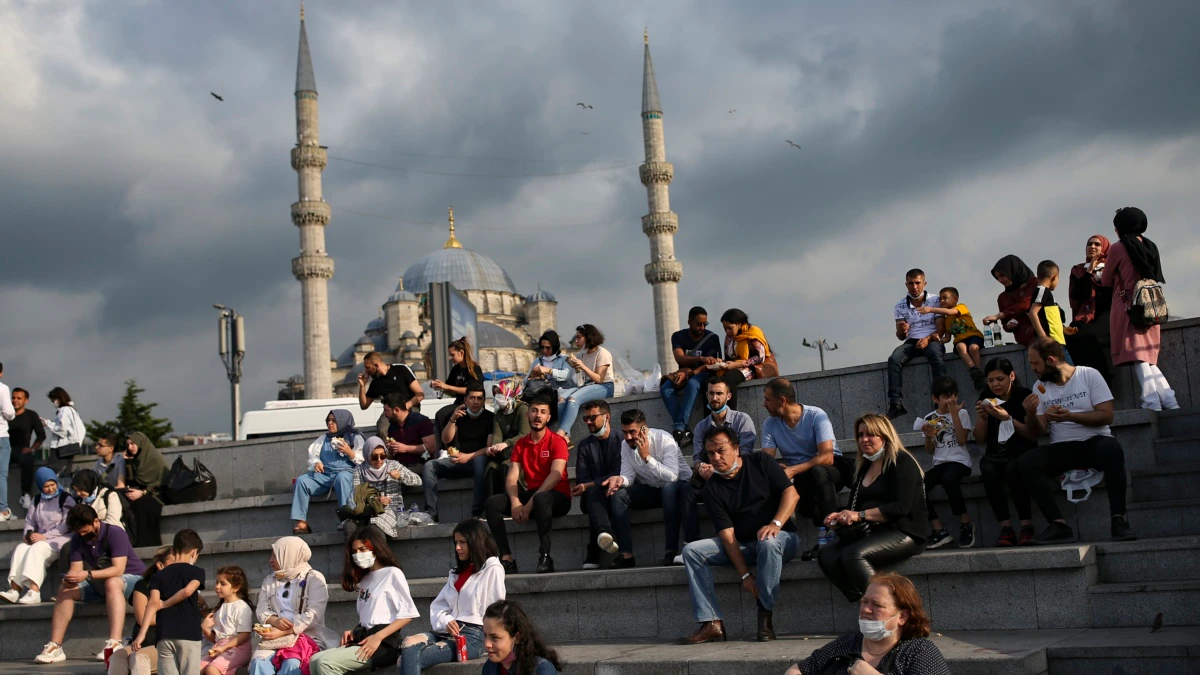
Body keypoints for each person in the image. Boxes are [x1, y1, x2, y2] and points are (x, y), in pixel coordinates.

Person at [681, 427, 801, 645]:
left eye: (721, 450)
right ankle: (712, 622)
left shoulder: (761, 462)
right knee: (692, 551)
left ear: (736, 448)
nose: (716, 458)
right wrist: (745, 575)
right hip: (745, 545)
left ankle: (765, 615)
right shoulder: (712, 488)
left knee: (768, 541)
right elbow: (728, 536)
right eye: (710, 454)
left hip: (783, 540)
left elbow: (791, 493)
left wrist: (776, 523)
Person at [1020, 338, 1137, 544]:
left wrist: (1070, 416)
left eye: (1035, 363)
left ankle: (1119, 520)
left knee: (1112, 449)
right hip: (1062, 447)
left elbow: (1107, 415)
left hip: (1094, 442)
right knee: (1026, 462)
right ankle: (1058, 524)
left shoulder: (1088, 375)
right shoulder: (1039, 386)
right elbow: (1038, 431)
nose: (1032, 368)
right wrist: (1032, 414)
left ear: (1050, 360)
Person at [819, 414, 928, 603]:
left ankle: (883, 607)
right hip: (873, 530)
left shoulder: (902, 462)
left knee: (854, 555)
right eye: (860, 435)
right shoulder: (864, 466)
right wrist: (839, 516)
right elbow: (855, 505)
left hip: (904, 530)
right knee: (827, 556)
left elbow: (901, 508)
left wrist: (860, 515)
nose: (864, 440)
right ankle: (863, 602)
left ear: (884, 436)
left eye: (871, 434)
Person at [36, 504, 148, 664]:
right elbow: (76, 570)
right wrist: (70, 579)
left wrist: (87, 574)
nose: (82, 535)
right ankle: (55, 647)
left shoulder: (115, 533)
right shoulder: (77, 539)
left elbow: (118, 569)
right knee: (65, 589)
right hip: (102, 582)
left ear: (96, 521)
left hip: (134, 581)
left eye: (85, 531)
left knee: (112, 583)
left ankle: (115, 642)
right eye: (79, 532)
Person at [785, 572, 951, 675]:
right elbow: (799, 670)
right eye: (864, 602)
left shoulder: (918, 652)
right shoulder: (847, 644)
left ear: (902, 617)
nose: (866, 610)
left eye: (877, 605)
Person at [399, 520, 506, 675]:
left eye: (463, 542)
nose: (457, 548)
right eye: (456, 542)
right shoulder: (456, 573)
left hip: (472, 636)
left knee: (408, 660)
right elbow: (439, 606)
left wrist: (491, 640)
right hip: (444, 630)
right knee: (408, 644)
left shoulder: (492, 568)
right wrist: (446, 621)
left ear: (476, 541)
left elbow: (495, 609)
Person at [760, 378, 851, 561]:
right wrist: (776, 467)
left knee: (818, 472)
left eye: (768, 399)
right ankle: (772, 541)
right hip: (803, 476)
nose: (764, 405)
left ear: (782, 400)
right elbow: (766, 460)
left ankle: (830, 534)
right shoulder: (770, 424)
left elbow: (827, 456)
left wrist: (793, 470)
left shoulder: (816, 415)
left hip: (832, 469)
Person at [308, 526, 418, 675]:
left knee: (325, 663)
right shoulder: (365, 579)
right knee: (315, 660)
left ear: (375, 547)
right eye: (354, 551)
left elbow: (408, 614)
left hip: (383, 643)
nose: (358, 554)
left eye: (362, 549)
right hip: (364, 637)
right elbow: (373, 614)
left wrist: (378, 637)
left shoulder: (392, 573)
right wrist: (354, 631)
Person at [485, 392, 572, 575]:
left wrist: (529, 504)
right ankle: (507, 557)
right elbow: (512, 476)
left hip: (558, 498)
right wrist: (516, 502)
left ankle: (545, 556)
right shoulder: (521, 444)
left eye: (542, 412)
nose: (537, 415)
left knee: (540, 498)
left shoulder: (557, 442)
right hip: (533, 494)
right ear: (527, 414)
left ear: (548, 417)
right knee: (493, 503)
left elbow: (555, 476)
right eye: (534, 411)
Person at [1101, 206, 1178, 411]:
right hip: (1151, 305)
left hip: (1128, 305)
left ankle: (1151, 401)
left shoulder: (1118, 248)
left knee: (1137, 356)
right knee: (1147, 358)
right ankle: (1169, 400)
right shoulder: (1150, 245)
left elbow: (1106, 280)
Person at [601, 409, 698, 568]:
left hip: (680, 487)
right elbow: (629, 476)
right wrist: (620, 479)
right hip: (653, 489)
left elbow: (673, 476)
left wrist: (647, 457)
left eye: (632, 432)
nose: (628, 437)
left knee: (668, 488)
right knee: (619, 495)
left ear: (644, 429)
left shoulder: (664, 439)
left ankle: (671, 551)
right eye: (625, 432)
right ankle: (626, 555)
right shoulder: (625, 445)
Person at [248, 537, 340, 675]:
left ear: (288, 555)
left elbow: (313, 616)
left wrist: (285, 631)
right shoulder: (270, 580)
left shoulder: (314, 578)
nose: (270, 560)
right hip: (274, 636)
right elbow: (262, 609)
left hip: (305, 635)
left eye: (275, 555)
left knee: (292, 664)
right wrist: (275, 621)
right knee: (259, 664)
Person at [974, 358, 1037, 547]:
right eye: (991, 380)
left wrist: (1007, 418)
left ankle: (1027, 525)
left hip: (1021, 449)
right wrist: (983, 418)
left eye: (1000, 379)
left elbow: (1032, 435)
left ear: (1012, 376)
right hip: (996, 451)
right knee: (989, 470)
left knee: (1014, 469)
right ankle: (1006, 527)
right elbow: (978, 438)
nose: (995, 384)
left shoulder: (1024, 396)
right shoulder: (986, 396)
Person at [915, 376, 976, 550]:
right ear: (936, 398)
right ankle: (939, 529)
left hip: (959, 462)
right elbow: (929, 451)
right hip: (940, 463)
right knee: (919, 486)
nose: (950, 400)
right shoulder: (930, 417)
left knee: (950, 479)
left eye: (953, 396)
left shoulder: (961, 413)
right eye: (946, 397)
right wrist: (927, 435)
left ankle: (966, 523)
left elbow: (963, 440)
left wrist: (955, 414)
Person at [135, 529, 206, 675]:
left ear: (173, 550)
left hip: (165, 634)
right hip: (189, 634)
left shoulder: (158, 576)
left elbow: (153, 603)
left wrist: (142, 634)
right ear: (194, 553)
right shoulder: (197, 572)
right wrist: (167, 603)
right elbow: (187, 591)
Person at [2, 467, 73, 605]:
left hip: (61, 540)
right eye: (46, 486)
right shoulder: (36, 500)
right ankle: (15, 590)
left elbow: (67, 525)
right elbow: (29, 522)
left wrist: (44, 536)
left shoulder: (66, 498)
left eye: (53, 485)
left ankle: (34, 591)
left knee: (38, 548)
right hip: (41, 539)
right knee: (21, 548)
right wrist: (29, 534)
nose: (51, 489)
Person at [425, 382, 493, 522]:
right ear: (466, 400)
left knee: (480, 461)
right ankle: (431, 513)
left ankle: (477, 512)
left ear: (483, 401)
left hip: (476, 460)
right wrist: (453, 419)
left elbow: (489, 448)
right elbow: (445, 439)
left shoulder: (490, 418)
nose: (476, 402)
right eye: (472, 398)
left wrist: (468, 457)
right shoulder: (459, 416)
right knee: (429, 466)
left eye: (479, 398)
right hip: (457, 461)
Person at [291, 410, 365, 535]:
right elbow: (312, 455)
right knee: (302, 481)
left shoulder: (355, 437)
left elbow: (363, 460)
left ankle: (346, 519)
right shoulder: (323, 439)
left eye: (334, 421)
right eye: (328, 420)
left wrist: (349, 452)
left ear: (343, 421)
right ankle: (302, 522)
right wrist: (316, 462)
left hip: (346, 472)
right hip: (325, 475)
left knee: (342, 478)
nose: (330, 423)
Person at [886, 270, 947, 420]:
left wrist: (928, 339)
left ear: (924, 283)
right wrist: (902, 330)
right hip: (912, 341)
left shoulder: (935, 300)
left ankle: (942, 400)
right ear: (906, 284)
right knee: (894, 359)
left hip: (932, 338)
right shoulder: (900, 305)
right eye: (911, 283)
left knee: (936, 357)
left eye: (918, 283)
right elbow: (900, 337)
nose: (914, 287)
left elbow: (941, 329)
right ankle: (896, 404)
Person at [660, 306, 722, 446]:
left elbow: (712, 364)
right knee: (666, 388)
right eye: (698, 323)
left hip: (703, 373)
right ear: (689, 322)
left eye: (704, 324)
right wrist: (700, 359)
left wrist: (696, 370)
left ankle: (680, 427)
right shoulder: (678, 336)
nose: (701, 327)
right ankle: (685, 430)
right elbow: (680, 359)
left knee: (693, 384)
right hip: (684, 372)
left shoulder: (711, 338)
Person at [572, 400, 623, 570]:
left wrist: (593, 484)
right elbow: (582, 479)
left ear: (607, 416)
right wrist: (592, 485)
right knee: (593, 493)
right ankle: (605, 533)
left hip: (618, 490)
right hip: (593, 497)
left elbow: (620, 471)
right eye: (585, 419)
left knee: (601, 492)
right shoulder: (584, 446)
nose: (588, 422)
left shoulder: (622, 439)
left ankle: (593, 552)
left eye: (592, 418)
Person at [108, 546, 173, 675]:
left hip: (166, 644)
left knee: (138, 658)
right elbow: (143, 619)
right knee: (117, 656)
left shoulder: (183, 587)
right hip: (143, 643)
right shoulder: (144, 585)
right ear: (160, 565)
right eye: (174, 562)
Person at [338, 437, 420, 537]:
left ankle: (380, 552)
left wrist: (401, 476)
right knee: (349, 527)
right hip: (367, 510)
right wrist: (375, 500)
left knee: (375, 527)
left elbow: (418, 480)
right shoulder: (359, 470)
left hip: (391, 510)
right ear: (367, 455)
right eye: (374, 457)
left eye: (382, 456)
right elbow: (357, 496)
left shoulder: (393, 465)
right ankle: (354, 552)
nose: (379, 460)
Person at [917, 287, 987, 391]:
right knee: (960, 347)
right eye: (940, 299)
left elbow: (950, 312)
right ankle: (973, 370)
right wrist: (938, 339)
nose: (941, 301)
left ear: (955, 299)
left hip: (973, 336)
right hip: (960, 340)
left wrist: (930, 309)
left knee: (973, 348)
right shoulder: (946, 320)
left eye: (945, 298)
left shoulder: (961, 307)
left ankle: (979, 372)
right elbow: (948, 338)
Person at [1067, 234, 1114, 381]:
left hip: (1107, 313)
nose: (1092, 247)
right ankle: (1085, 381)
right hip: (1085, 315)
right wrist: (1089, 272)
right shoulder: (1079, 270)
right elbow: (1078, 295)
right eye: (1089, 244)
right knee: (1072, 337)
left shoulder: (1112, 267)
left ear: (1105, 248)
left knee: (1088, 336)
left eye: (1097, 244)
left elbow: (1111, 295)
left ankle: (1102, 379)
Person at [557, 324, 615, 442]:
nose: (576, 340)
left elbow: (599, 378)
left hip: (605, 386)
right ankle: (566, 436)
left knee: (573, 399)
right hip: (588, 385)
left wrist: (582, 366)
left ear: (588, 337)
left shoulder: (602, 353)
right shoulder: (582, 354)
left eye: (579, 337)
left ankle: (561, 432)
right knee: (562, 399)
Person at [430, 336, 485, 451]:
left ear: (461, 352)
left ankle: (453, 448)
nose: (450, 358)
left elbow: (471, 391)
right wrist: (440, 387)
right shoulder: (455, 370)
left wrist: (447, 386)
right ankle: (444, 449)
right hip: (460, 402)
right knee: (441, 414)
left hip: (473, 403)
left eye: (452, 355)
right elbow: (452, 390)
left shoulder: (474, 368)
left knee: (453, 416)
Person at [480, 600, 563, 675]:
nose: (487, 644)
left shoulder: (540, 668)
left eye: (495, 638)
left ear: (517, 638)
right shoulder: (490, 667)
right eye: (485, 635)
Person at [691, 377, 757, 470]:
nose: (714, 398)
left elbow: (745, 452)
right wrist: (701, 467)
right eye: (711, 393)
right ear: (706, 395)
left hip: (738, 471)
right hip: (710, 473)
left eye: (719, 393)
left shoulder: (742, 419)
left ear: (728, 396)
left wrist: (723, 469)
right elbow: (697, 456)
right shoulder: (701, 426)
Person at [715, 308, 774, 411]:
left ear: (739, 324)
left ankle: (731, 413)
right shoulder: (729, 337)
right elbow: (729, 358)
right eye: (725, 328)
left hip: (752, 368)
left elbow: (760, 357)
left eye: (729, 328)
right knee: (713, 380)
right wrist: (722, 362)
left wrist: (738, 364)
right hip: (734, 366)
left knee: (729, 378)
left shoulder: (753, 332)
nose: (727, 331)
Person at [200, 566, 254, 675]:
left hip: (238, 648)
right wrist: (205, 629)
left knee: (212, 669)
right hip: (221, 647)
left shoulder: (242, 607)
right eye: (217, 583)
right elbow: (216, 639)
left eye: (222, 584)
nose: (217, 587)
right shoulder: (219, 608)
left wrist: (224, 647)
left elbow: (245, 635)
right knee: (197, 668)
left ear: (236, 587)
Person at [358, 352, 425, 439]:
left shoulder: (401, 369)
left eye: (368, 368)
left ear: (376, 365)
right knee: (383, 428)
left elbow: (420, 394)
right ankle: (390, 450)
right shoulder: (376, 382)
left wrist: (404, 407)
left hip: (410, 408)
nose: (366, 371)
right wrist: (362, 385)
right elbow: (364, 405)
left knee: (410, 428)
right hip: (390, 412)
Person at [483, 379, 529, 504]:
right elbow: (497, 437)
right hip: (506, 451)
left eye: (501, 392)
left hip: (522, 449)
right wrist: (494, 447)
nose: (498, 396)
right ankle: (489, 505)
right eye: (496, 393)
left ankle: (507, 505)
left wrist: (506, 443)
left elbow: (524, 434)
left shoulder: (522, 409)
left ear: (510, 392)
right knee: (491, 467)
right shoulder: (499, 414)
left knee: (506, 466)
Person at [122, 431, 168, 547]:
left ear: (141, 443)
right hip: (141, 492)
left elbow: (161, 483)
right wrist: (128, 462)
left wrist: (143, 492)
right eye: (128, 444)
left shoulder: (155, 459)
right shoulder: (137, 460)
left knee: (143, 505)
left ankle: (148, 543)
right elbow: (131, 482)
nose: (130, 447)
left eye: (133, 443)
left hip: (157, 494)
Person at [982, 255, 1040, 347]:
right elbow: (1004, 324)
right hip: (1025, 344)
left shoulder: (1035, 283)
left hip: (1044, 336)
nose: (1000, 280)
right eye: (997, 277)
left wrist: (999, 315)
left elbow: (1026, 304)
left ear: (1013, 271)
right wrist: (1009, 326)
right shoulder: (1003, 297)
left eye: (1002, 276)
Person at [523, 331, 573, 428]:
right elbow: (525, 381)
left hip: (557, 393)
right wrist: (532, 376)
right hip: (540, 391)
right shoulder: (538, 361)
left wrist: (548, 370)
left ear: (554, 347)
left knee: (543, 403)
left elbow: (565, 375)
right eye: (542, 347)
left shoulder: (564, 359)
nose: (545, 350)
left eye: (548, 348)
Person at [7, 386, 46, 511]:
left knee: (27, 459)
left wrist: (32, 449)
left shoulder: (31, 415)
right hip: (5, 450)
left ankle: (25, 495)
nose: (15, 401)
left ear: (26, 401)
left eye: (19, 398)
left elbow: (41, 435)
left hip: (21, 450)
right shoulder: (5, 415)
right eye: (13, 398)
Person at [1029, 260, 1074, 364]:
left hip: (1057, 342)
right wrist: (1043, 338)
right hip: (1052, 344)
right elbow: (1032, 313)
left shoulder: (1046, 293)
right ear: (1054, 277)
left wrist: (1063, 329)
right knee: (1069, 373)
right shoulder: (1041, 291)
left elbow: (1048, 318)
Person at [384, 392, 437, 469]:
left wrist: (406, 448)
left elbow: (431, 447)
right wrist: (392, 449)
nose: (384, 414)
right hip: (399, 466)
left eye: (386, 410)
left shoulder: (421, 421)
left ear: (396, 410)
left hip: (420, 464)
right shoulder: (392, 427)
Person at [41, 386, 85, 472]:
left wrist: (47, 423)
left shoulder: (64, 410)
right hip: (68, 448)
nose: (53, 403)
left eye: (53, 400)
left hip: (60, 449)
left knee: (54, 474)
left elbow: (62, 430)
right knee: (64, 474)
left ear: (59, 398)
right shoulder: (71, 410)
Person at [0, 365, 17, 521]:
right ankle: (2, 510)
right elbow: (10, 412)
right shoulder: (2, 388)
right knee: (1, 474)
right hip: (1, 436)